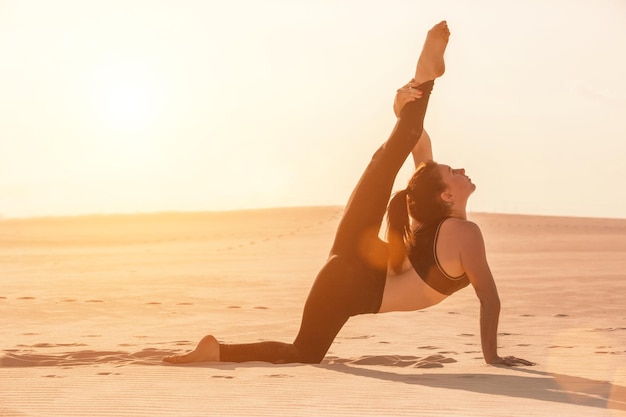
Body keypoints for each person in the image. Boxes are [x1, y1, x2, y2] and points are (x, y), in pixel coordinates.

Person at [163, 21, 534, 367]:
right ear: (446, 198)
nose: (461, 171)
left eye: (453, 171)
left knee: (304, 352)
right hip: (354, 280)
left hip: (350, 274)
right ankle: (424, 79)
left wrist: (398, 108)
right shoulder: (462, 233)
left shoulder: (431, 220)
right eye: (452, 172)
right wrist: (493, 359)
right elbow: (489, 298)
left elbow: (416, 140)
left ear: (446, 198)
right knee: (303, 352)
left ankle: (216, 351)